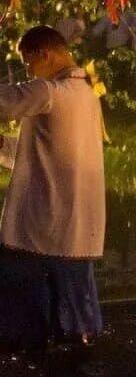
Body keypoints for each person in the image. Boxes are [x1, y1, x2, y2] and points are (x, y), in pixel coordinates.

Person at [0, 26, 105, 351]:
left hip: (42, 229)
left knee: (23, 327)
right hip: (76, 232)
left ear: (44, 54)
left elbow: (7, 100)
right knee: (77, 329)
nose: (28, 73)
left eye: (27, 63)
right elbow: (46, 149)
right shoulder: (86, 95)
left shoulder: (50, 92)